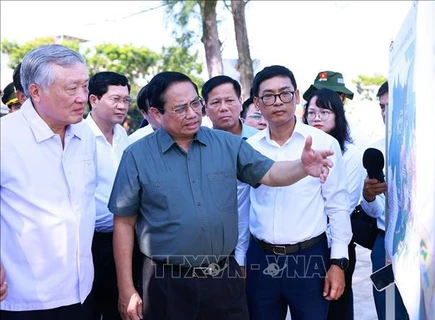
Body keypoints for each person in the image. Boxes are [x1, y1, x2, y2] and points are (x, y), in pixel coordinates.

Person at [107, 71, 337, 320]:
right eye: (181, 108)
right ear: (156, 114)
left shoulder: (227, 144)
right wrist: (126, 287)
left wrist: (302, 167)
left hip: (223, 279)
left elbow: (271, 174)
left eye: (195, 103)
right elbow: (124, 222)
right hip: (166, 282)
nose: (193, 113)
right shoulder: (137, 155)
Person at [236, 65, 352, 320]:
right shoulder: (249, 149)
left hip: (309, 258)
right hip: (261, 259)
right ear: (257, 102)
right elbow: (242, 209)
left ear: (297, 96)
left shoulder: (323, 143)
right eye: (268, 96)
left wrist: (338, 262)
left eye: (285, 93)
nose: (278, 102)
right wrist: (241, 260)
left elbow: (337, 206)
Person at [0, 44, 96, 319]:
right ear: (35, 92)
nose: (82, 97)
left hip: (82, 292)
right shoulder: (5, 137)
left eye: (84, 86)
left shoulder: (85, 135)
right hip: (24, 299)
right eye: (71, 88)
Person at [303, 88, 364, 320]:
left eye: (324, 112)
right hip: (307, 244)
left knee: (337, 308)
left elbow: (342, 206)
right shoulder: (300, 151)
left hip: (336, 242)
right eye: (312, 112)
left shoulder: (349, 153)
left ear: (338, 116)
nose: (317, 118)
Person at [360, 81, 409, 320]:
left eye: (392, 106)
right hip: (385, 244)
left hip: (425, 246)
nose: (385, 113)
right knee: (390, 313)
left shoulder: (429, 146)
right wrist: (369, 196)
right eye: (382, 106)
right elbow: (372, 211)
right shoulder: (375, 152)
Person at [85, 71, 131, 320]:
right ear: (94, 99)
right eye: (115, 99)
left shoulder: (123, 136)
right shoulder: (77, 136)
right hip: (91, 242)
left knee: (120, 306)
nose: (122, 105)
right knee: (92, 308)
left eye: (126, 99)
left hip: (125, 238)